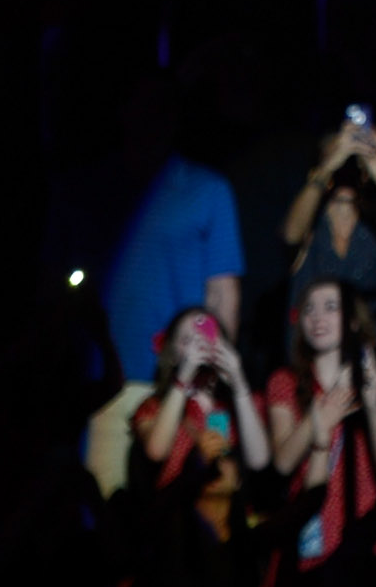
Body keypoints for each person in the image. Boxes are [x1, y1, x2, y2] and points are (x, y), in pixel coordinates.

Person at [59, 80, 247, 498]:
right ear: (122, 111)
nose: (151, 117)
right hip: (104, 388)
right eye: (140, 103)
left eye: (161, 107)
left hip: (183, 388)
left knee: (188, 512)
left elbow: (223, 294)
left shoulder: (207, 189)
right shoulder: (87, 188)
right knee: (106, 510)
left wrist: (213, 382)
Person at [263, 277, 376, 586]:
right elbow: (283, 463)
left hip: (365, 529)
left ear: (354, 321)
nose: (317, 317)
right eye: (309, 309)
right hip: (309, 525)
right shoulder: (285, 382)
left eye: (330, 307)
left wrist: (371, 404)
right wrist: (322, 414)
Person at [279, 114, 376, 359]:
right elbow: (290, 235)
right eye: (338, 156)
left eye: (352, 159)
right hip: (312, 363)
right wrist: (328, 167)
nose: (345, 163)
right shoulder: (310, 223)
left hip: (371, 359)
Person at [132, 306, 272, 539]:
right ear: (172, 353)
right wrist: (183, 379)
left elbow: (259, 460)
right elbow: (156, 451)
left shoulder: (242, 403)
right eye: (188, 340)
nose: (200, 346)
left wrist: (238, 382)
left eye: (207, 336)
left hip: (229, 528)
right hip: (176, 528)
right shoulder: (155, 407)